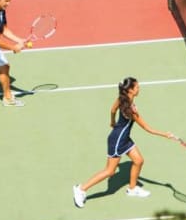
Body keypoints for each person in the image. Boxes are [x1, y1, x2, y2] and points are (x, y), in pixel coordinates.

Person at [73, 77, 173, 207]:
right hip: (118, 142)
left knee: (138, 161)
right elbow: (147, 128)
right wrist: (165, 134)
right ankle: (81, 189)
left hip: (124, 139)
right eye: (137, 87)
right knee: (110, 171)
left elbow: (113, 110)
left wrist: (112, 121)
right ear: (130, 90)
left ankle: (132, 189)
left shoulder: (122, 99)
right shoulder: (131, 110)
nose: (139, 88)